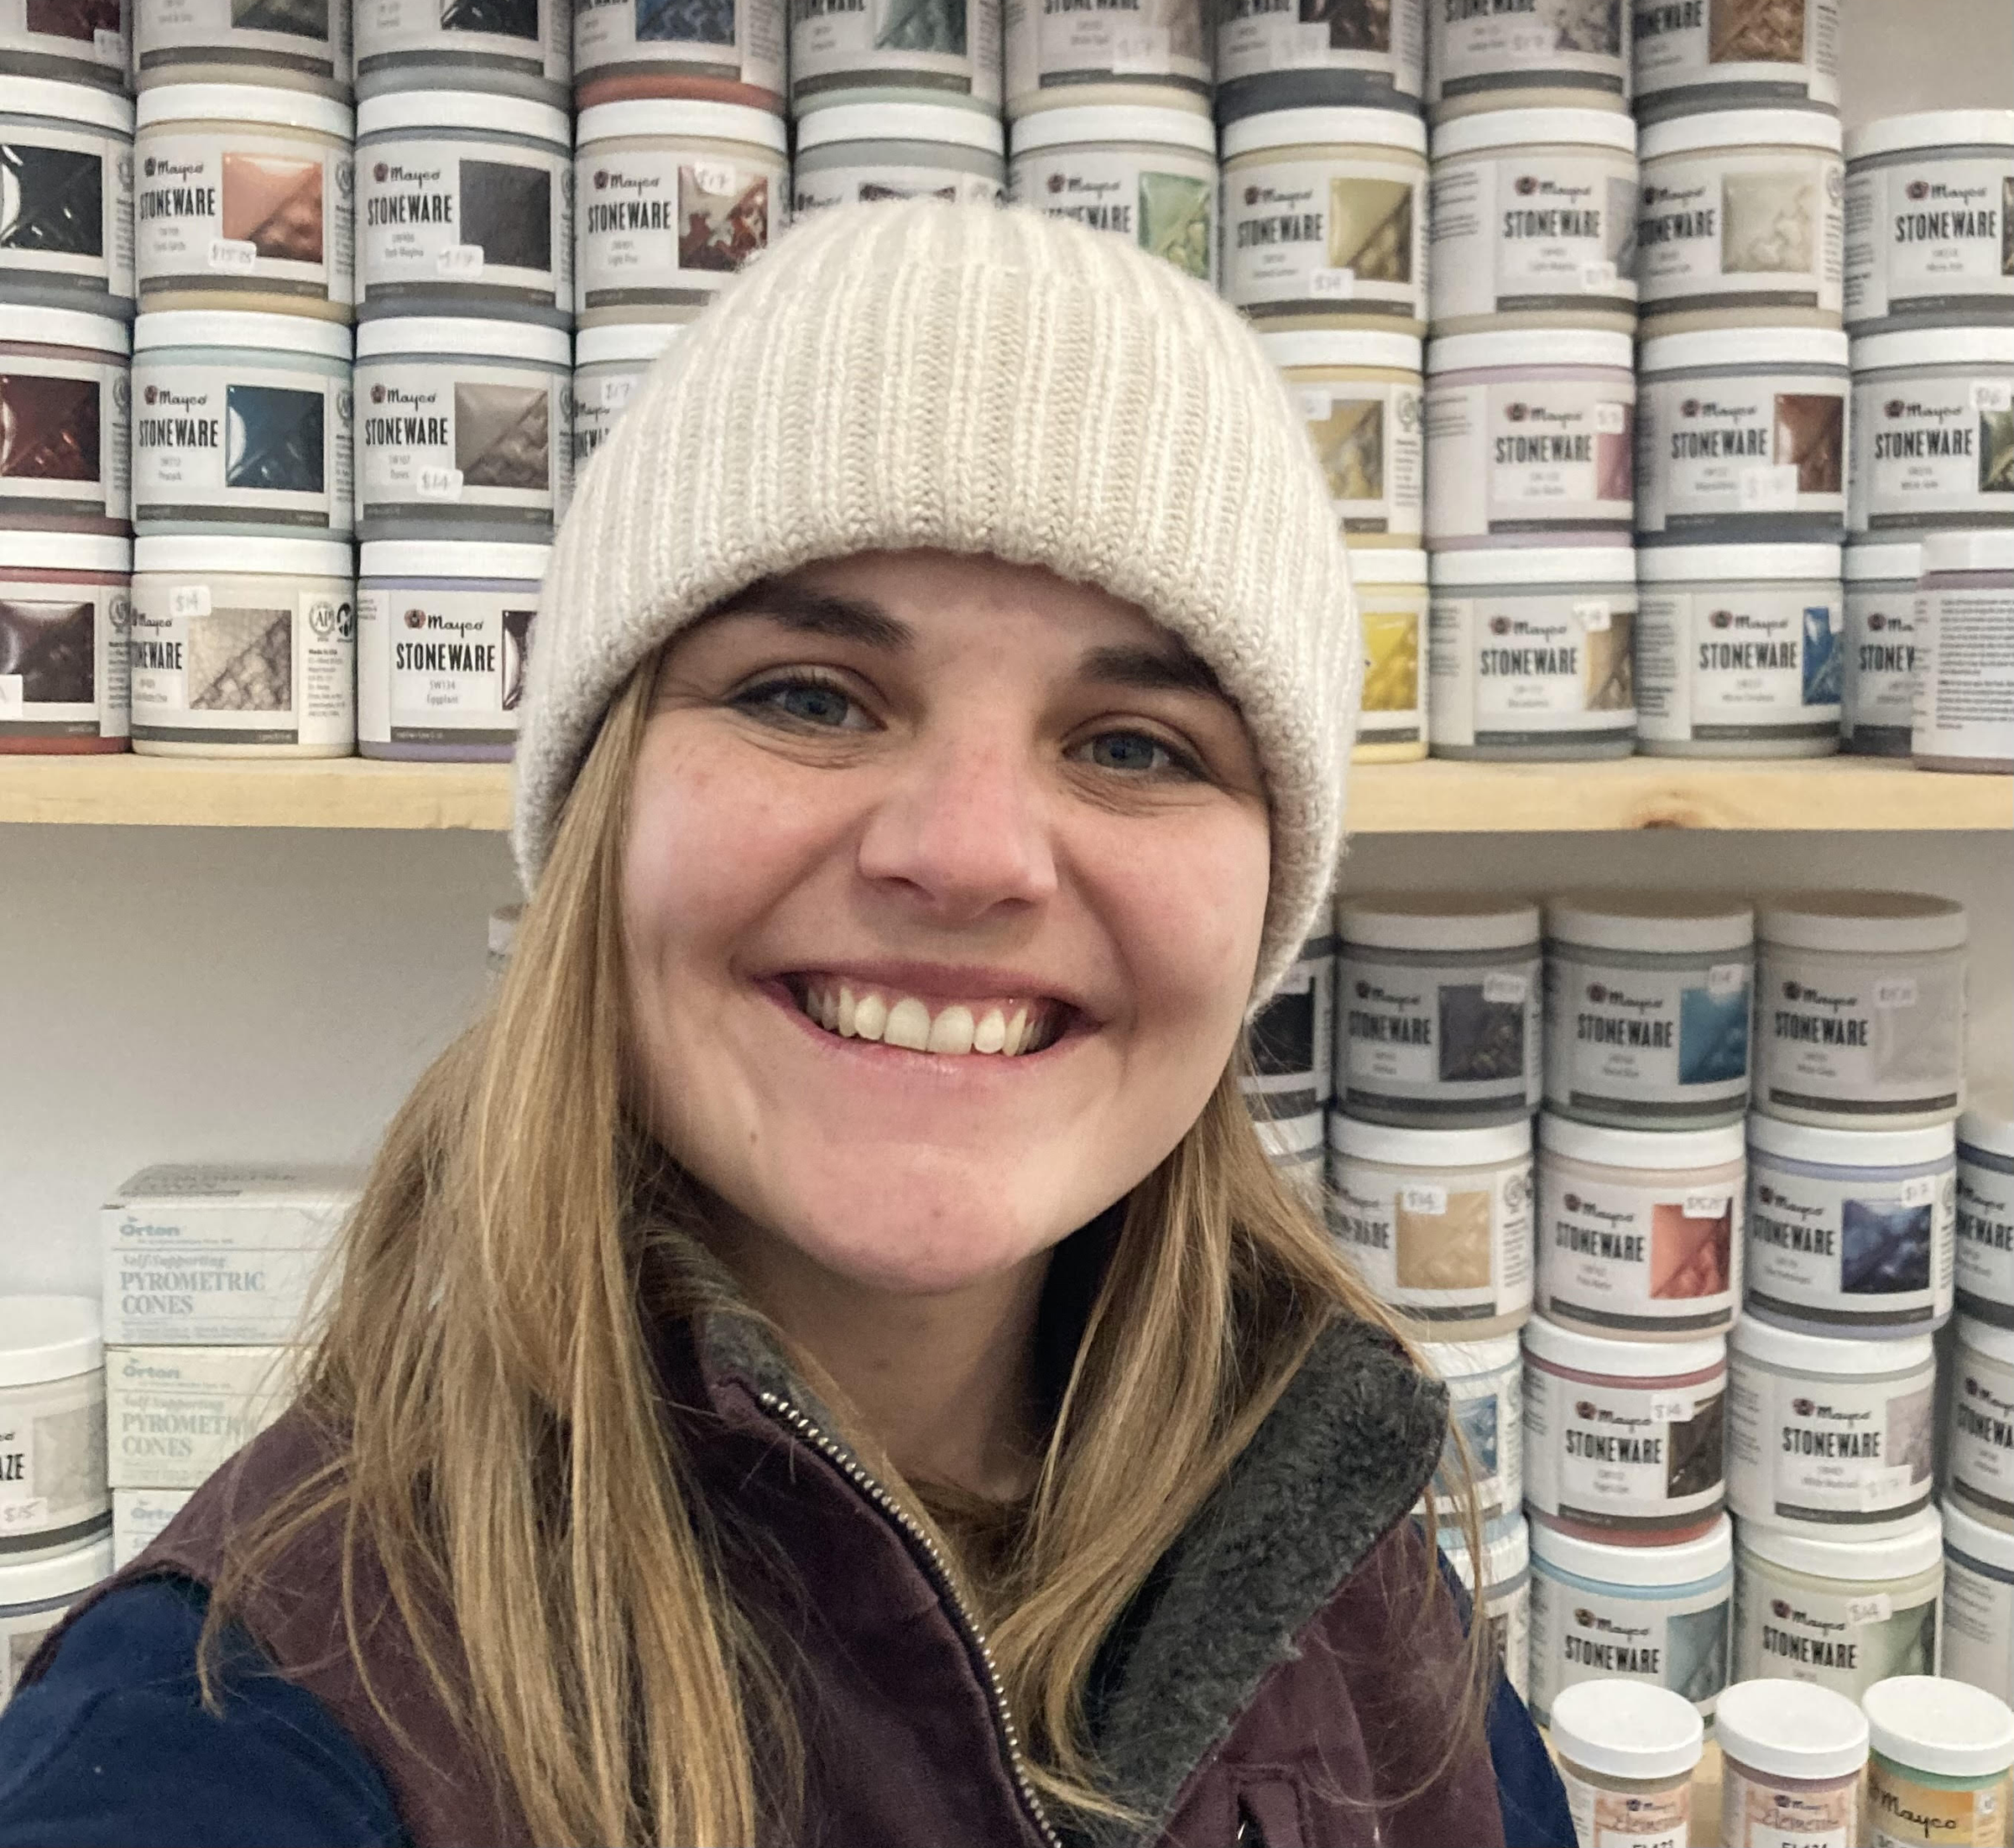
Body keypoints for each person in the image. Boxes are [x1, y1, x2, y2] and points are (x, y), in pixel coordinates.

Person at [0, 201, 1571, 1848]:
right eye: (809, 696)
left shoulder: (1358, 1562)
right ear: (604, 815)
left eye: (1134, 745)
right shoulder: (223, 1722)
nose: (966, 852)